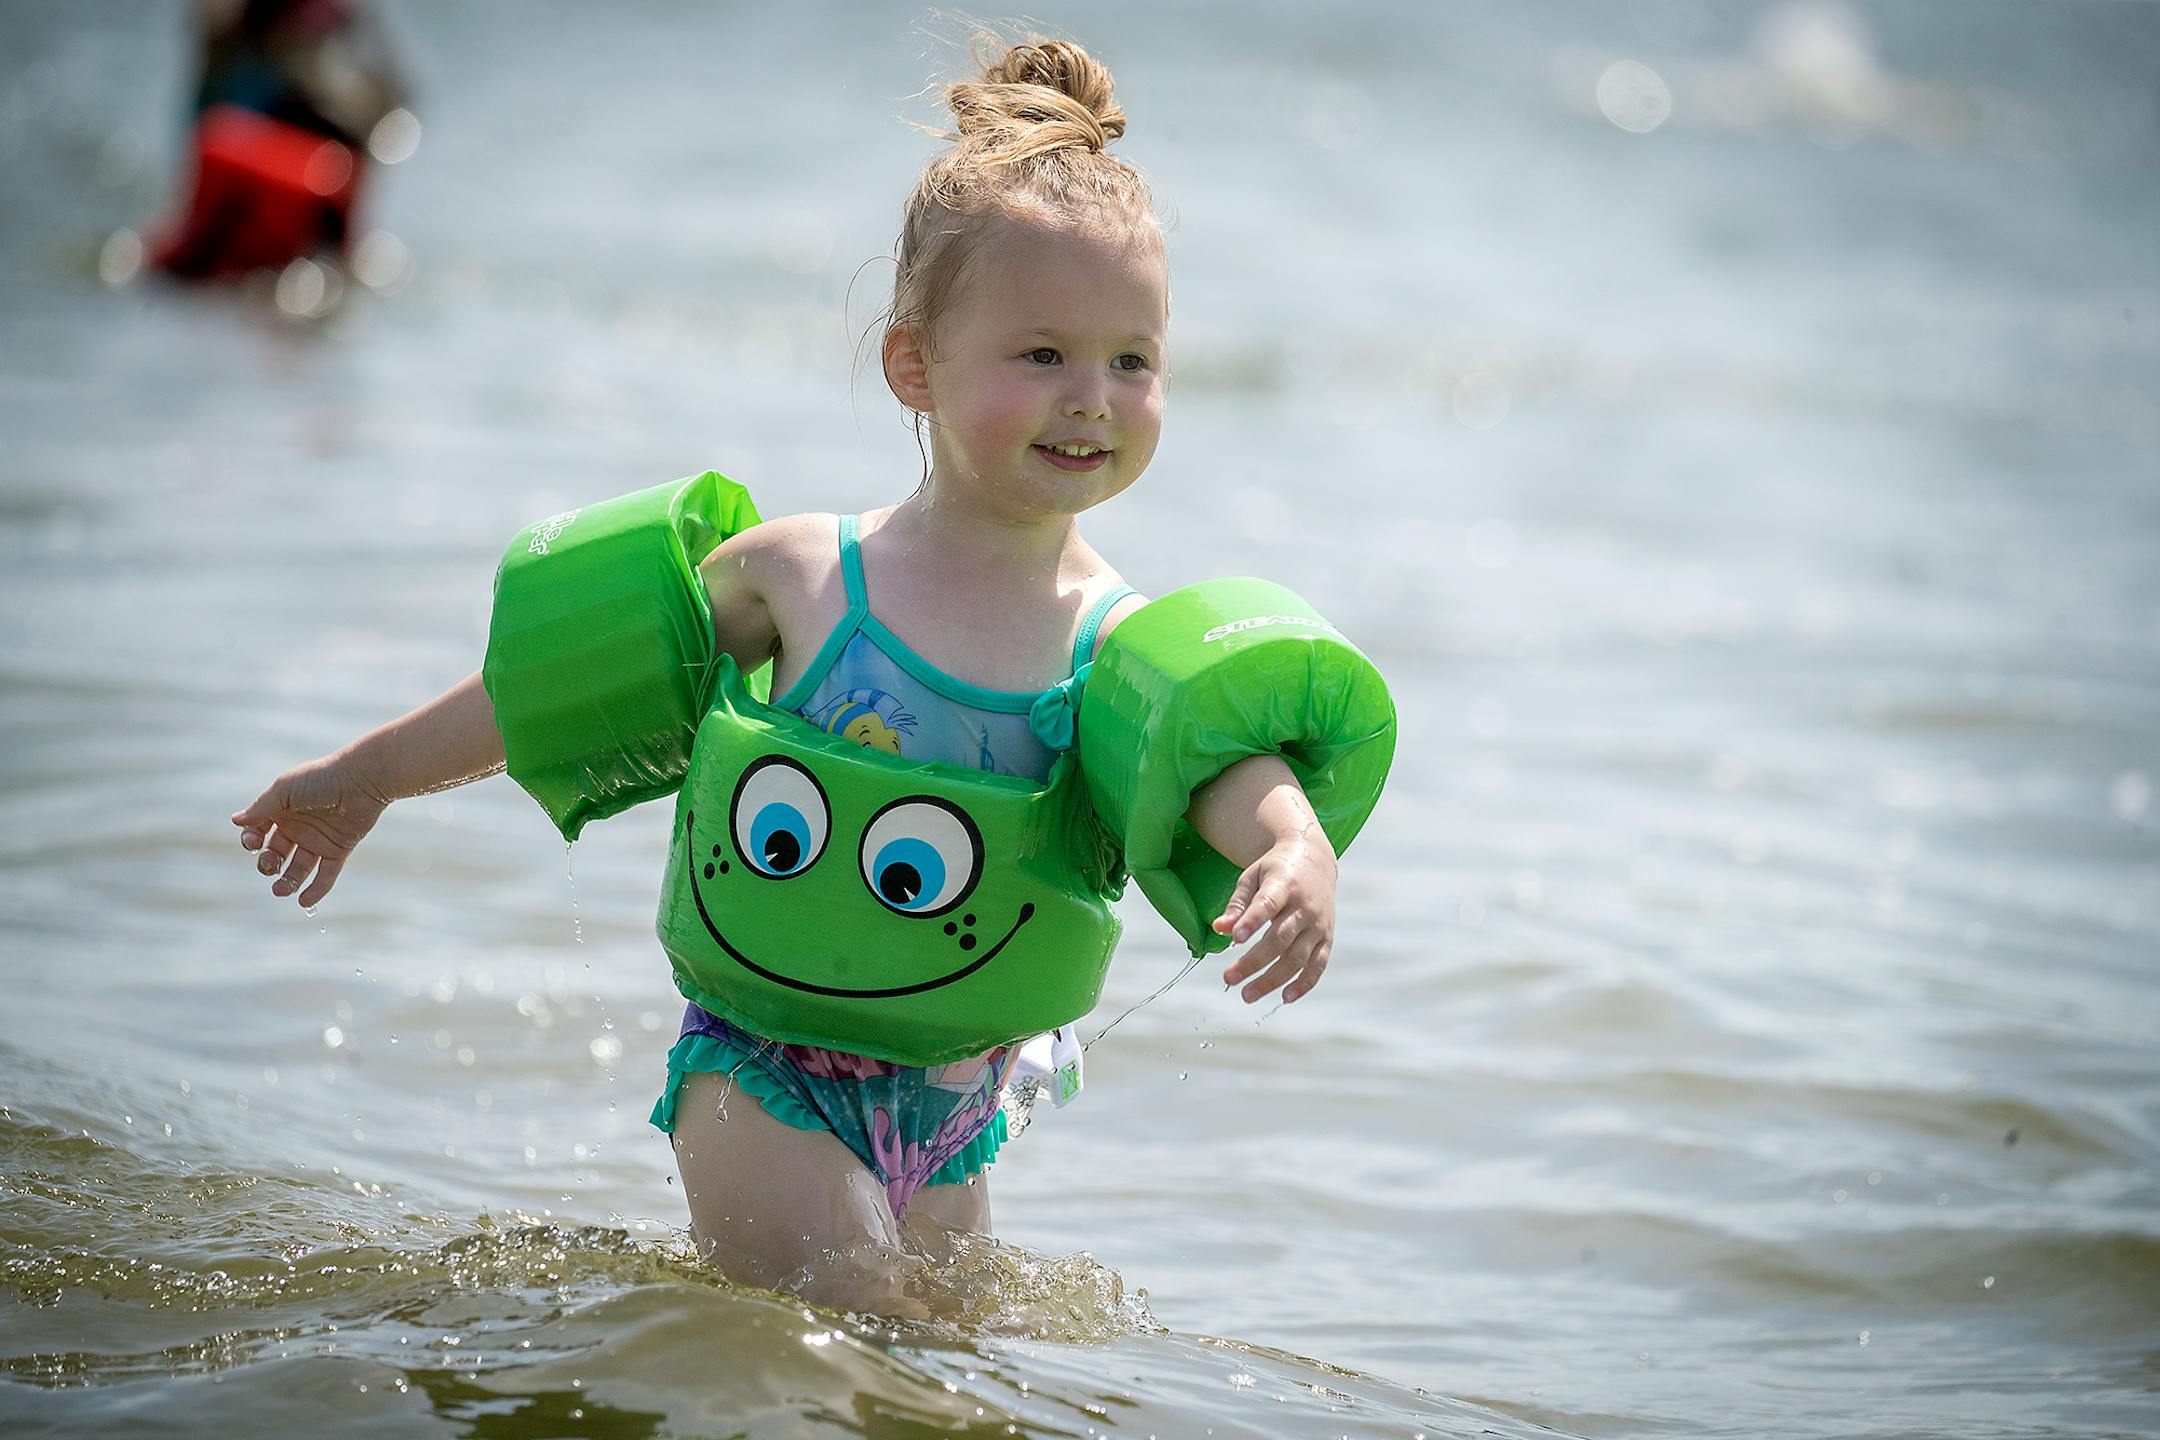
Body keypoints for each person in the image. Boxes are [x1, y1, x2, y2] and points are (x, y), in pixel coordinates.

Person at [231, 37, 1341, 1316]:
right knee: (849, 1319)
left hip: (951, 1105)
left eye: (1131, 360)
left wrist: (1294, 844)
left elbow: (1215, 767)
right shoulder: (806, 580)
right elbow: (568, 693)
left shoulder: (1116, 643)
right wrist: (365, 781)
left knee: (950, 1360)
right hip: (761, 1070)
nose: (1091, 397)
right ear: (914, 365)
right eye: (1041, 355)